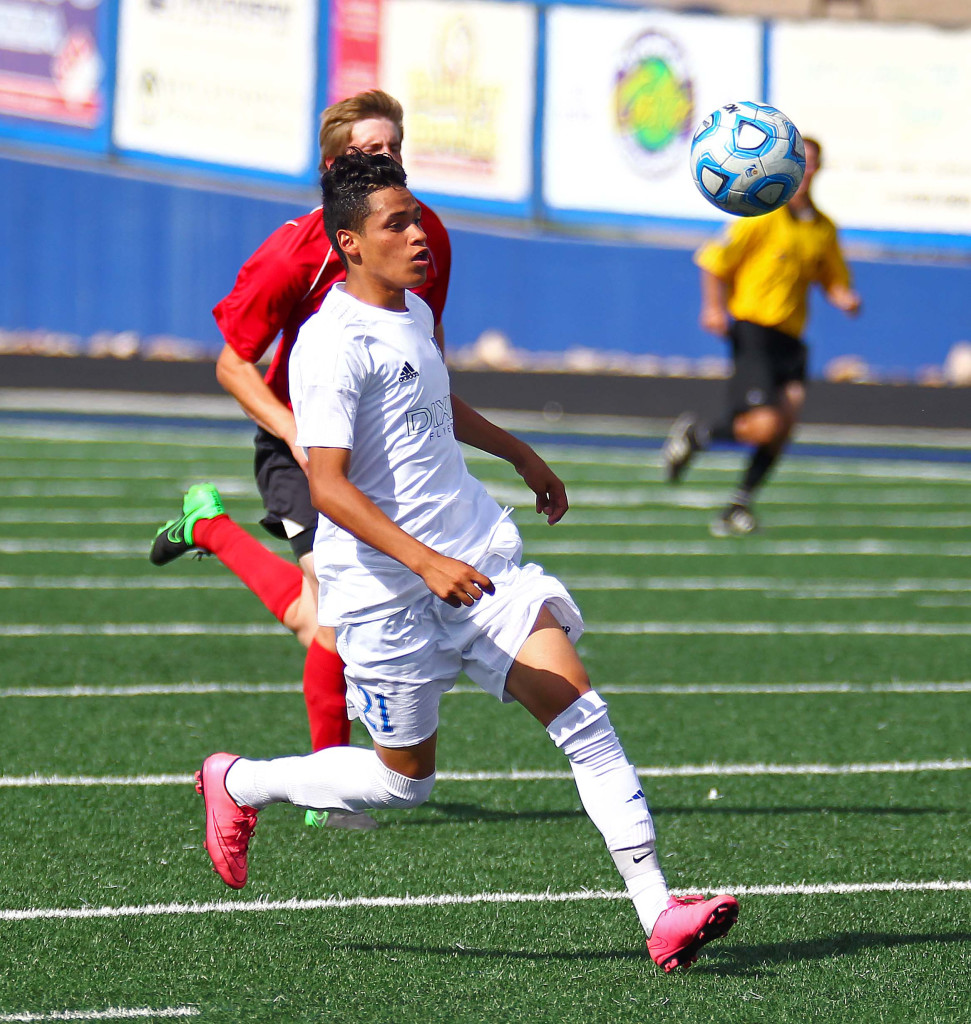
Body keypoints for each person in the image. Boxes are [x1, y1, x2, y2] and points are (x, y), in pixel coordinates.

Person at [194, 151, 739, 972]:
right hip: (385, 593)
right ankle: (239, 784)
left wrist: (520, 453)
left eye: (417, 216)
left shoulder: (410, 309)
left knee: (582, 717)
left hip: (479, 563)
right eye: (397, 224)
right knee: (403, 781)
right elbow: (329, 486)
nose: (420, 235)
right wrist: (422, 564)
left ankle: (658, 909)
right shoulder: (326, 346)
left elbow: (432, 398)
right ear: (347, 243)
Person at [151, 91, 451, 830]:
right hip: (304, 447)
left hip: (375, 445)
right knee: (332, 623)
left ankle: (212, 529)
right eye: (363, 152)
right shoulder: (294, 249)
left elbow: (423, 351)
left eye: (390, 147)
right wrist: (293, 432)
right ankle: (331, 794)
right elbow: (232, 365)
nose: (381, 159)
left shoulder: (423, 235)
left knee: (318, 616)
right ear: (331, 168)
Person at [663, 137, 861, 535]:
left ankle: (739, 503)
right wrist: (713, 307)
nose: (804, 174)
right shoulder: (761, 215)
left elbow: (831, 276)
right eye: (798, 164)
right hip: (754, 330)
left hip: (791, 339)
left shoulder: (822, 228)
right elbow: (713, 259)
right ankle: (697, 433)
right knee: (764, 425)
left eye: (810, 166)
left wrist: (844, 297)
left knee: (785, 424)